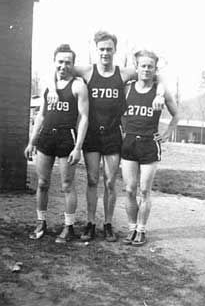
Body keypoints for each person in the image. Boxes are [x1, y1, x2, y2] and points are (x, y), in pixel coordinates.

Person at [48, 31, 165, 242]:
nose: (105, 53)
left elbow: (155, 74)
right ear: (96, 49)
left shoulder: (123, 73)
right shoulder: (87, 71)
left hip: (112, 135)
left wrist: (160, 92)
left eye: (109, 49)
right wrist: (52, 88)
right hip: (92, 134)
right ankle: (91, 224)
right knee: (92, 180)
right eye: (101, 49)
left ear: (115, 51)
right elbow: (59, 66)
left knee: (110, 182)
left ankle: (108, 224)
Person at [24, 44, 89, 243]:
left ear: (73, 64)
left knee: (67, 184)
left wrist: (78, 147)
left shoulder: (78, 86)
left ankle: (68, 226)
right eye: (60, 62)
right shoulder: (48, 86)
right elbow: (41, 116)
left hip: (66, 138)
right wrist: (31, 141)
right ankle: (41, 222)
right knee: (42, 183)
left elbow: (84, 117)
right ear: (55, 63)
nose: (63, 66)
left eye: (68, 62)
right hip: (46, 138)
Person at [121, 49, 179, 246]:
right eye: (143, 66)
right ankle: (131, 228)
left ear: (155, 70)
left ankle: (141, 230)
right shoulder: (127, 89)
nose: (146, 69)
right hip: (129, 143)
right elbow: (115, 110)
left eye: (150, 67)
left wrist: (166, 133)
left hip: (149, 144)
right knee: (129, 189)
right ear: (136, 67)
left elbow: (176, 115)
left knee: (144, 190)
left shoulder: (160, 91)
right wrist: (122, 128)